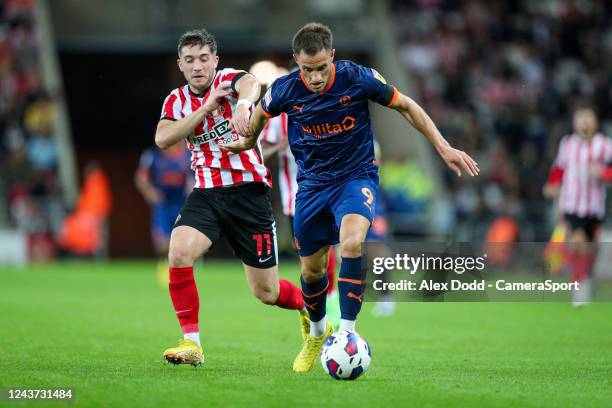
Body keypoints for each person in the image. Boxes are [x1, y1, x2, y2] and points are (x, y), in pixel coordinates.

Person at [221, 22, 479, 372]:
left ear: (333, 57)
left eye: (320, 68)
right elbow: (262, 116)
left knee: (353, 241)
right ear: (297, 62)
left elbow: (406, 106)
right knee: (312, 271)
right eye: (306, 70)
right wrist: (247, 142)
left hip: (355, 177)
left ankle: (347, 334)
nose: (313, 77)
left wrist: (442, 146)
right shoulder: (284, 89)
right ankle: (316, 332)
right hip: (310, 186)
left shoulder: (357, 78)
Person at [155, 28, 306, 367]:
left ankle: (309, 307)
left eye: (204, 58)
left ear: (215, 61)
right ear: (180, 64)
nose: (198, 66)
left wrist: (240, 103)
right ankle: (191, 343)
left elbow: (251, 82)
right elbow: (163, 138)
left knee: (266, 293)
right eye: (190, 60)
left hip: (249, 195)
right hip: (206, 194)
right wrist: (206, 109)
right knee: (178, 253)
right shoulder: (176, 101)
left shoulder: (226, 80)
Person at [258, 65, 341, 329]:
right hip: (296, 195)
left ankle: (333, 306)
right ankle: (322, 309)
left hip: (330, 188)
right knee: (311, 258)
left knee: (334, 249)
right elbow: (260, 153)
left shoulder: (331, 105)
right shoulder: (279, 113)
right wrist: (280, 147)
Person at [543, 107, 612, 306]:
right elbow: (559, 167)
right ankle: (579, 285)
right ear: (575, 123)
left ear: (595, 123)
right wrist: (553, 184)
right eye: (580, 118)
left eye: (588, 118)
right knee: (576, 241)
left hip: (595, 205)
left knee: (591, 246)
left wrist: (604, 174)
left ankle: (586, 279)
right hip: (572, 203)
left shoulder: (604, 146)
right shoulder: (567, 144)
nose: (584, 122)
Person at [135, 143, 191, 285]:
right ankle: (164, 267)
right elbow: (141, 178)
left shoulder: (188, 155)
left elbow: (194, 177)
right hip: (163, 205)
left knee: (182, 242)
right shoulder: (152, 156)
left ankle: (183, 271)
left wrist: (193, 194)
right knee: (162, 244)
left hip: (182, 204)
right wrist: (150, 193)